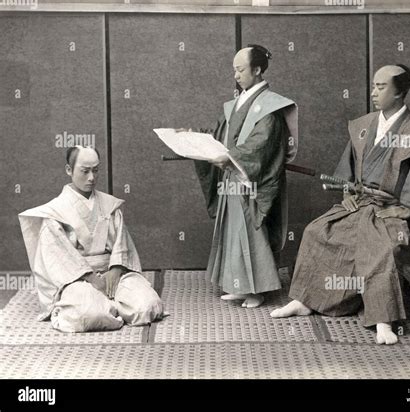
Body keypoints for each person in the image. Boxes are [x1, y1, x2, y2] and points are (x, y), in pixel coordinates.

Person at [271, 65, 410, 344]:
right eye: (374, 85)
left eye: (381, 87)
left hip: (391, 209)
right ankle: (306, 300)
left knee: (380, 247)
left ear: (400, 92)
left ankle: (383, 319)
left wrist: (409, 207)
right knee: (317, 231)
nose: (374, 92)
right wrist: (347, 192)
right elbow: (347, 172)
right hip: (361, 201)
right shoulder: (364, 126)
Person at [194, 45, 298, 308]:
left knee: (249, 234)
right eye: (234, 70)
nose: (236, 76)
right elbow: (223, 136)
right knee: (231, 232)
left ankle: (256, 290)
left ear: (257, 69)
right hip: (232, 176)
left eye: (240, 70)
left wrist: (231, 157)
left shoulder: (270, 107)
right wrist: (202, 142)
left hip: (250, 179)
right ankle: (238, 285)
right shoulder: (236, 103)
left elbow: (261, 145)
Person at [18, 145, 164, 333]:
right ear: (69, 170)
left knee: (148, 306)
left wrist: (115, 270)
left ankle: (112, 303)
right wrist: (91, 278)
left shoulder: (109, 205)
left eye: (96, 170)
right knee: (90, 315)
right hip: (78, 280)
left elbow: (121, 245)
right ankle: (110, 306)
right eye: (85, 171)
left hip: (113, 274)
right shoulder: (56, 212)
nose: (92, 178)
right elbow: (59, 258)